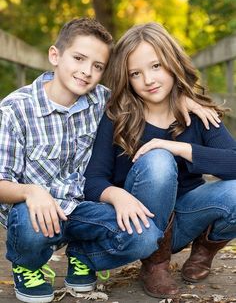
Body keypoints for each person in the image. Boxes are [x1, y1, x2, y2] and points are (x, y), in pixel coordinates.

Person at [0, 17, 221, 303]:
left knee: (145, 236)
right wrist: (31, 191)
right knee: (29, 222)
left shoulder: (102, 102)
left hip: (85, 211)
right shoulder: (15, 109)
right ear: (55, 55)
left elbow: (148, 94)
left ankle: (83, 258)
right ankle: (27, 265)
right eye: (79, 58)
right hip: (34, 211)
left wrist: (182, 100)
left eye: (97, 66)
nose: (86, 72)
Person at [84, 22, 236, 299]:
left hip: (190, 218)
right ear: (126, 78)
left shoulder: (198, 114)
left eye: (156, 66)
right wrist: (118, 196)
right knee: (157, 160)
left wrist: (177, 146)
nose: (148, 80)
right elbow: (93, 180)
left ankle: (204, 251)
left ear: (172, 63)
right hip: (143, 225)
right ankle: (155, 265)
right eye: (135, 73)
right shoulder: (117, 117)